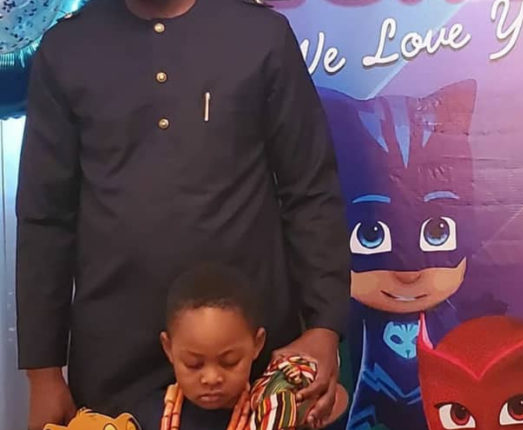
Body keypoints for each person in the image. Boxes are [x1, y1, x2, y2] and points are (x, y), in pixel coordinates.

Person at [15, 0, 350, 428]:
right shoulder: (67, 47)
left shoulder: (261, 35)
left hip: (248, 360)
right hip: (115, 364)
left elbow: (311, 190)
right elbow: (45, 218)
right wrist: (43, 374)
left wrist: (324, 327)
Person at [132, 263, 348, 430]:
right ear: (168, 348)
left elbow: (338, 403)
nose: (211, 378)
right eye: (193, 364)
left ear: (257, 344)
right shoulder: (145, 417)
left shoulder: (274, 412)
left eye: (229, 362)